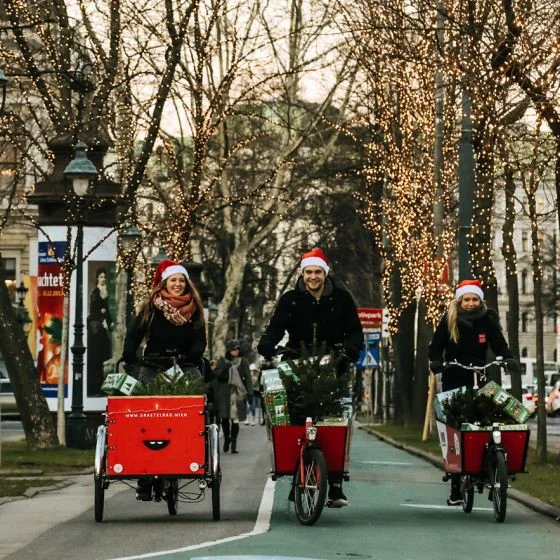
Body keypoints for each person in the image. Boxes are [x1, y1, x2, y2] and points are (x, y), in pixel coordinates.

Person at [257, 247, 363, 508]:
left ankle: (335, 483)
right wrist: (267, 345)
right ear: (302, 273)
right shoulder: (290, 299)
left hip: (333, 364)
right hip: (296, 362)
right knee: (293, 419)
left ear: (325, 274)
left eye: (317, 272)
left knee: (335, 420)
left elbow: (355, 332)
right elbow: (275, 328)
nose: (313, 277)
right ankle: (297, 473)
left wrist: (349, 350)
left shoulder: (341, 299)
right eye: (308, 272)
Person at [428, 278, 519, 506]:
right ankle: (456, 484)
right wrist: (437, 361)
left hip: (479, 375)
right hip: (454, 375)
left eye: (474, 299)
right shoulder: (449, 320)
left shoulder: (487, 320)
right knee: (455, 425)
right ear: (459, 300)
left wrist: (507, 357)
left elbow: (498, 342)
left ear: (480, 300)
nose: (470, 303)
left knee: (489, 417)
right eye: (466, 299)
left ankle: (493, 465)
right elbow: (435, 346)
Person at [122, 259, 207, 500]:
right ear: (164, 283)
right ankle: (144, 477)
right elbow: (134, 335)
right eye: (174, 280)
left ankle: (194, 448)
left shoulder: (195, 309)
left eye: (181, 280)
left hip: (184, 363)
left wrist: (194, 354)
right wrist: (129, 353)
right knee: (142, 407)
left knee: (197, 399)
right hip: (153, 363)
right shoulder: (151, 307)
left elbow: (200, 339)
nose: (178, 285)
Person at [212, 339, 252, 453]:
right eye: (233, 349)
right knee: (224, 418)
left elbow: (248, 377)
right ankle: (227, 438)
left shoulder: (243, 361)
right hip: (224, 392)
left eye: (237, 349)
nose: (236, 351)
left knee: (236, 419)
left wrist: (249, 393)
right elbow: (217, 375)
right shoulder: (222, 361)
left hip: (237, 393)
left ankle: (234, 442)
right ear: (229, 350)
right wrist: (226, 367)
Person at [87, 267, 113, 397]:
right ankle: (95, 387)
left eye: (104, 277)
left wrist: (109, 320)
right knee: (96, 359)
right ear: (97, 278)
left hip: (102, 328)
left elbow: (106, 310)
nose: (103, 279)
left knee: (103, 359)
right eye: (101, 277)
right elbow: (94, 311)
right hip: (96, 330)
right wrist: (102, 316)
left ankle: (100, 387)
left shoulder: (105, 292)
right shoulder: (95, 292)